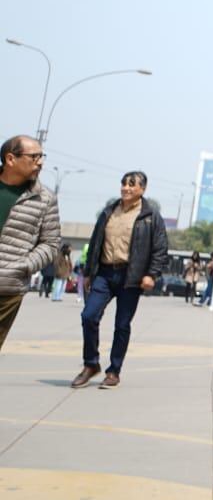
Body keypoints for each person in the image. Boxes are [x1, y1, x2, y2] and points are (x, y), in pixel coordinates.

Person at [73, 170, 168, 388]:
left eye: (132, 184)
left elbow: (160, 249)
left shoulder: (151, 217)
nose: (126, 188)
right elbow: (96, 241)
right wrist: (89, 273)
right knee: (89, 315)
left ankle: (114, 371)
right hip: (104, 274)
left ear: (142, 189)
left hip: (131, 277)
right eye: (124, 183)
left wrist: (151, 274)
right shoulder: (108, 212)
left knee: (122, 325)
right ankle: (90, 364)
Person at [0, 136, 61, 350]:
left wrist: (23, 266)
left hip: (7, 287)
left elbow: (51, 243)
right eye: (34, 157)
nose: (40, 162)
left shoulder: (45, 199)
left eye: (41, 156)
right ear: (10, 159)